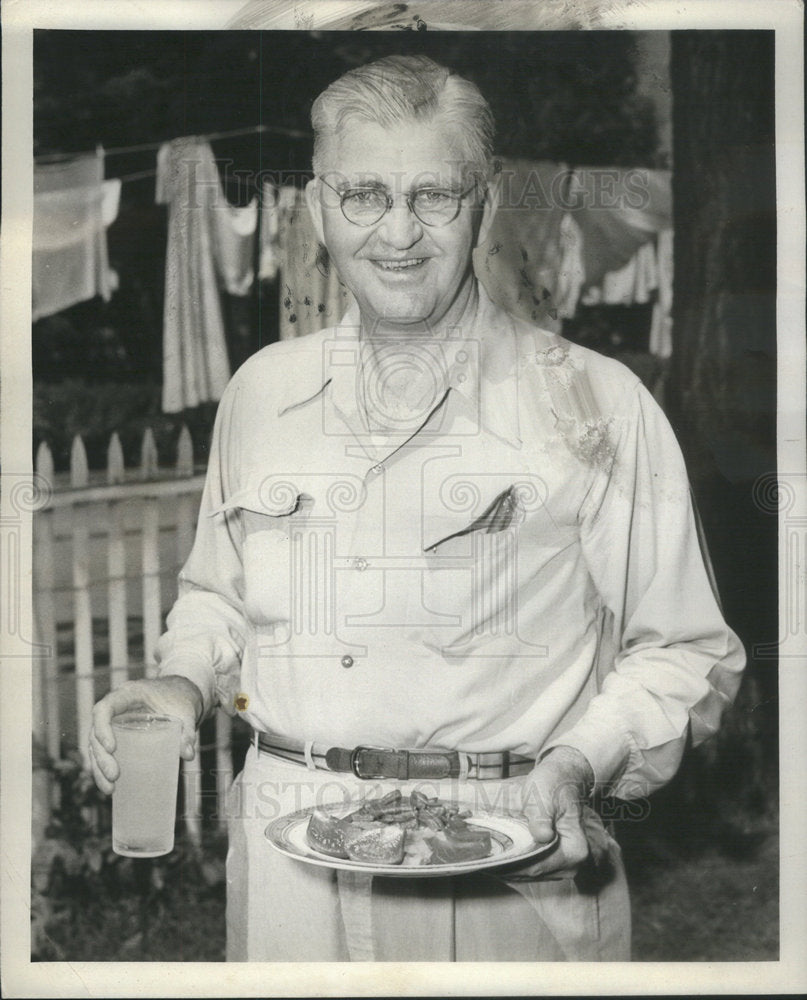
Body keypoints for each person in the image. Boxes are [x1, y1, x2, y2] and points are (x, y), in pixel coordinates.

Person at [89, 55, 745, 961]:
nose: (398, 232)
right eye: (363, 194)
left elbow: (685, 652)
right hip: (287, 864)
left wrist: (579, 763)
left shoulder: (596, 403)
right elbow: (218, 597)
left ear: (484, 203)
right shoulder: (260, 392)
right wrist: (181, 682)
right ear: (318, 208)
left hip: (505, 852)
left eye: (434, 195)